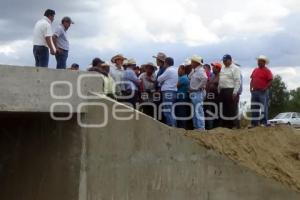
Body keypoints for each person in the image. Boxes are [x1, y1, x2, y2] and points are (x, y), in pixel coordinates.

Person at [218, 54, 241, 129]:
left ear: (230, 60)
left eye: (225, 60)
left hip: (230, 89)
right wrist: (219, 89)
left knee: (232, 108)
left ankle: (234, 125)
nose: (224, 62)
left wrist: (235, 92)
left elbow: (237, 81)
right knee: (224, 108)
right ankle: (226, 125)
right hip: (223, 90)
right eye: (223, 61)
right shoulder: (222, 68)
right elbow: (221, 78)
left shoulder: (235, 68)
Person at [250, 55, 273, 127]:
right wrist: (250, 88)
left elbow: (271, 80)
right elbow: (252, 79)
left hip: (263, 92)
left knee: (263, 107)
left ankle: (264, 122)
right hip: (255, 91)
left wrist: (266, 88)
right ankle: (254, 123)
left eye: (260, 61)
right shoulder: (255, 70)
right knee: (254, 107)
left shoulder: (267, 71)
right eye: (258, 61)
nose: (258, 62)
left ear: (264, 62)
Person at [188, 55, 208, 131]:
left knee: (198, 109)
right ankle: (197, 126)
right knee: (195, 110)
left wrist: (197, 87)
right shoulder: (196, 70)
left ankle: (201, 127)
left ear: (196, 63)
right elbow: (189, 77)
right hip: (194, 92)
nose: (191, 63)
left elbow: (205, 79)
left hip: (197, 92)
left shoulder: (200, 70)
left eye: (192, 62)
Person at [157, 57, 178, 127]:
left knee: (167, 111)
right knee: (171, 111)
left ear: (166, 63)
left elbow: (159, 79)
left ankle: (172, 127)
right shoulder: (175, 70)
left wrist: (162, 81)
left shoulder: (168, 70)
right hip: (174, 91)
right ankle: (173, 126)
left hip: (168, 92)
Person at [205, 62, 222, 130]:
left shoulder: (221, 77)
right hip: (209, 98)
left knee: (216, 113)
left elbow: (221, 88)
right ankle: (210, 128)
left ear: (218, 69)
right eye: (213, 67)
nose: (212, 68)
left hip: (216, 98)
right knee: (209, 113)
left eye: (214, 67)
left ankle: (216, 128)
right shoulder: (212, 76)